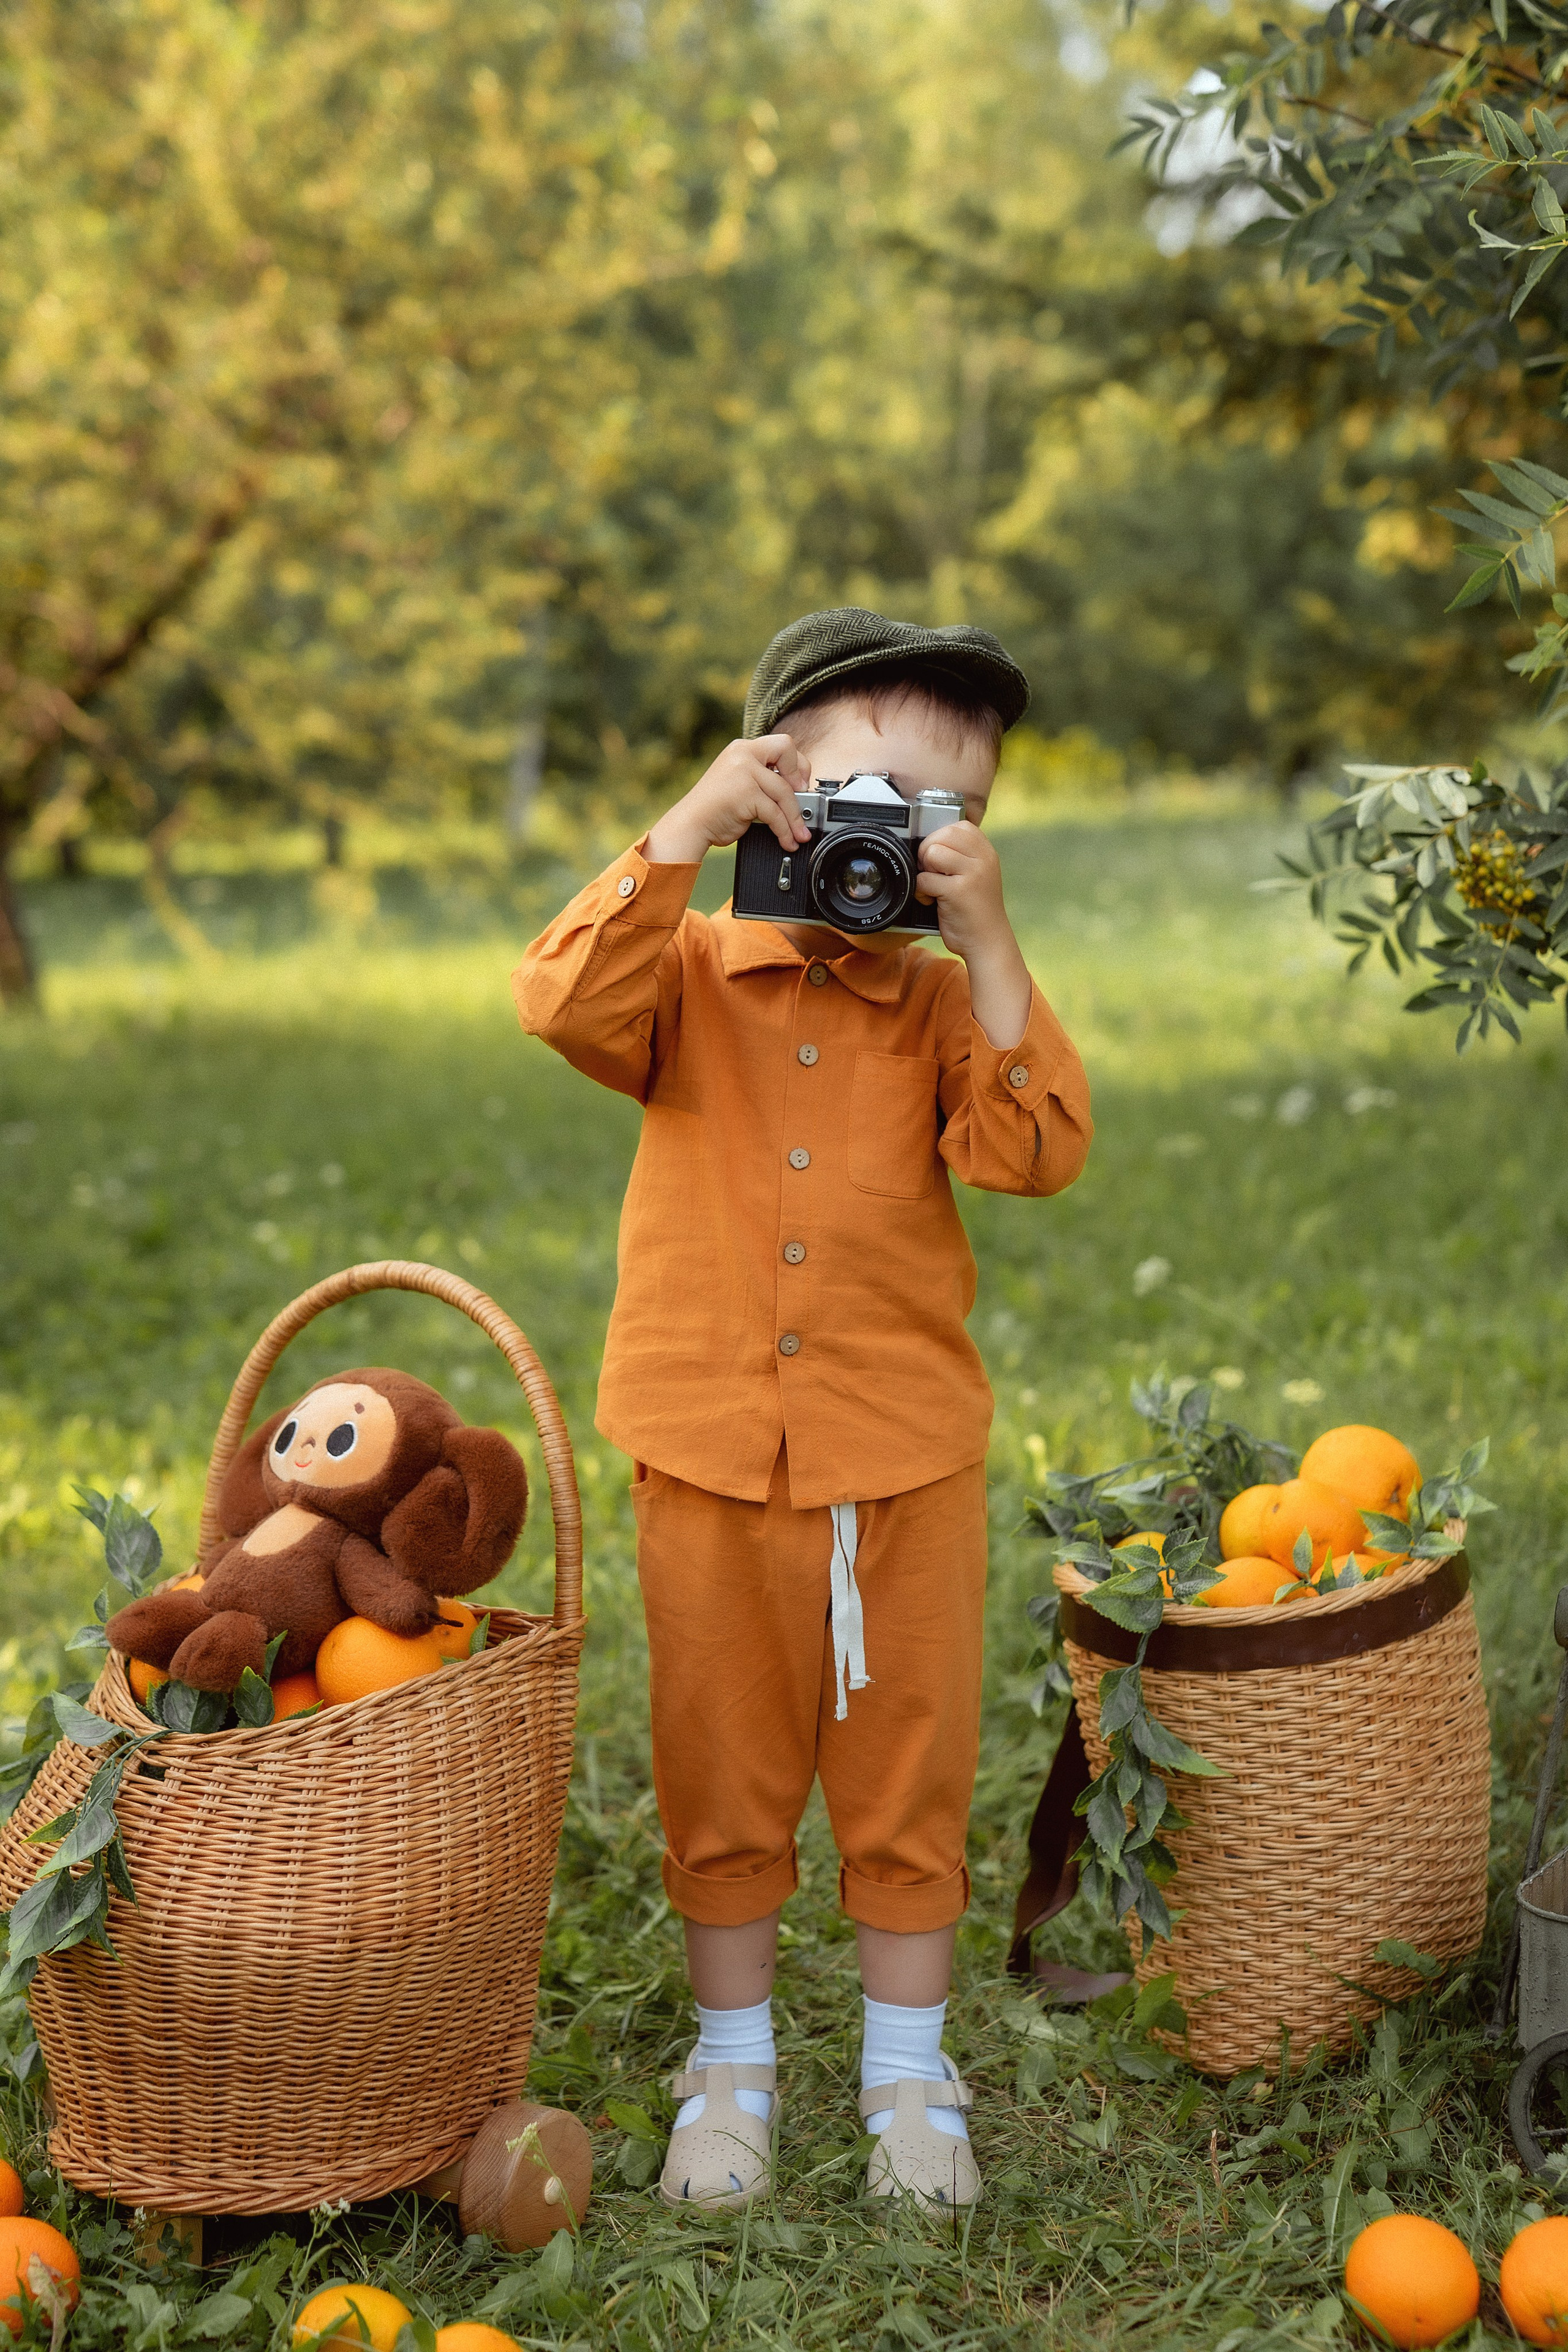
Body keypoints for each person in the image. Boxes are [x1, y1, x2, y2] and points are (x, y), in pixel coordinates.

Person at [513, 606, 1091, 2212]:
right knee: (719, 1764)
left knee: (911, 1769)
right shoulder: (683, 968)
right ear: (772, 785)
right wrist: (680, 836)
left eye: (946, 817)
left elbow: (1033, 1151)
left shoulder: (940, 1004)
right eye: (865, 802)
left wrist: (990, 944)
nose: (891, 846)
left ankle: (909, 2071)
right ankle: (733, 2061)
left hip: (902, 1461)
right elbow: (559, 1005)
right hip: (705, 1451)